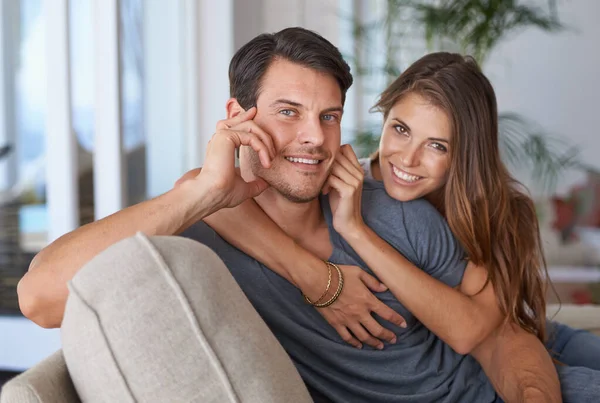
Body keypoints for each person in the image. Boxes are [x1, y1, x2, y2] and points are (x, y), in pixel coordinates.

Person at [17, 28, 568, 402]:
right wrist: (205, 190)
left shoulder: (391, 212)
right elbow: (38, 298)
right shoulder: (200, 239)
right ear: (237, 116)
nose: (313, 136)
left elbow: (501, 336)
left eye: (329, 116)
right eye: (288, 112)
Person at [200, 52, 600, 374]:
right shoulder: (336, 177)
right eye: (401, 129)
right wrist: (317, 277)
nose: (407, 158)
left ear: (465, 153)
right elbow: (214, 198)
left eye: (438, 145)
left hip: (526, 343)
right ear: (384, 118)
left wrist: (356, 231)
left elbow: (476, 331)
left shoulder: (494, 211)